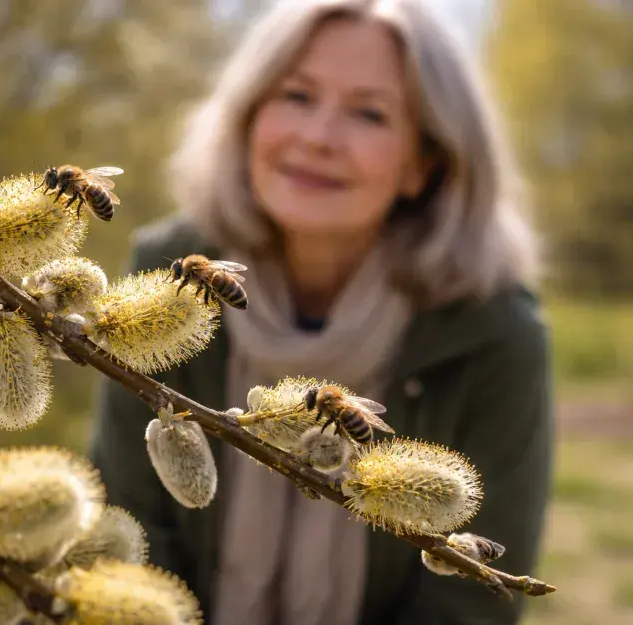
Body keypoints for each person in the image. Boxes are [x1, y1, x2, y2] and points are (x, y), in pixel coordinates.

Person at [86, 0, 554, 624]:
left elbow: (466, 606)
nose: (317, 138)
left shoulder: (494, 336)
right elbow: (129, 533)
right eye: (297, 96)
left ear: (424, 163)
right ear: (250, 117)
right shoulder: (165, 278)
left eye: (369, 113)